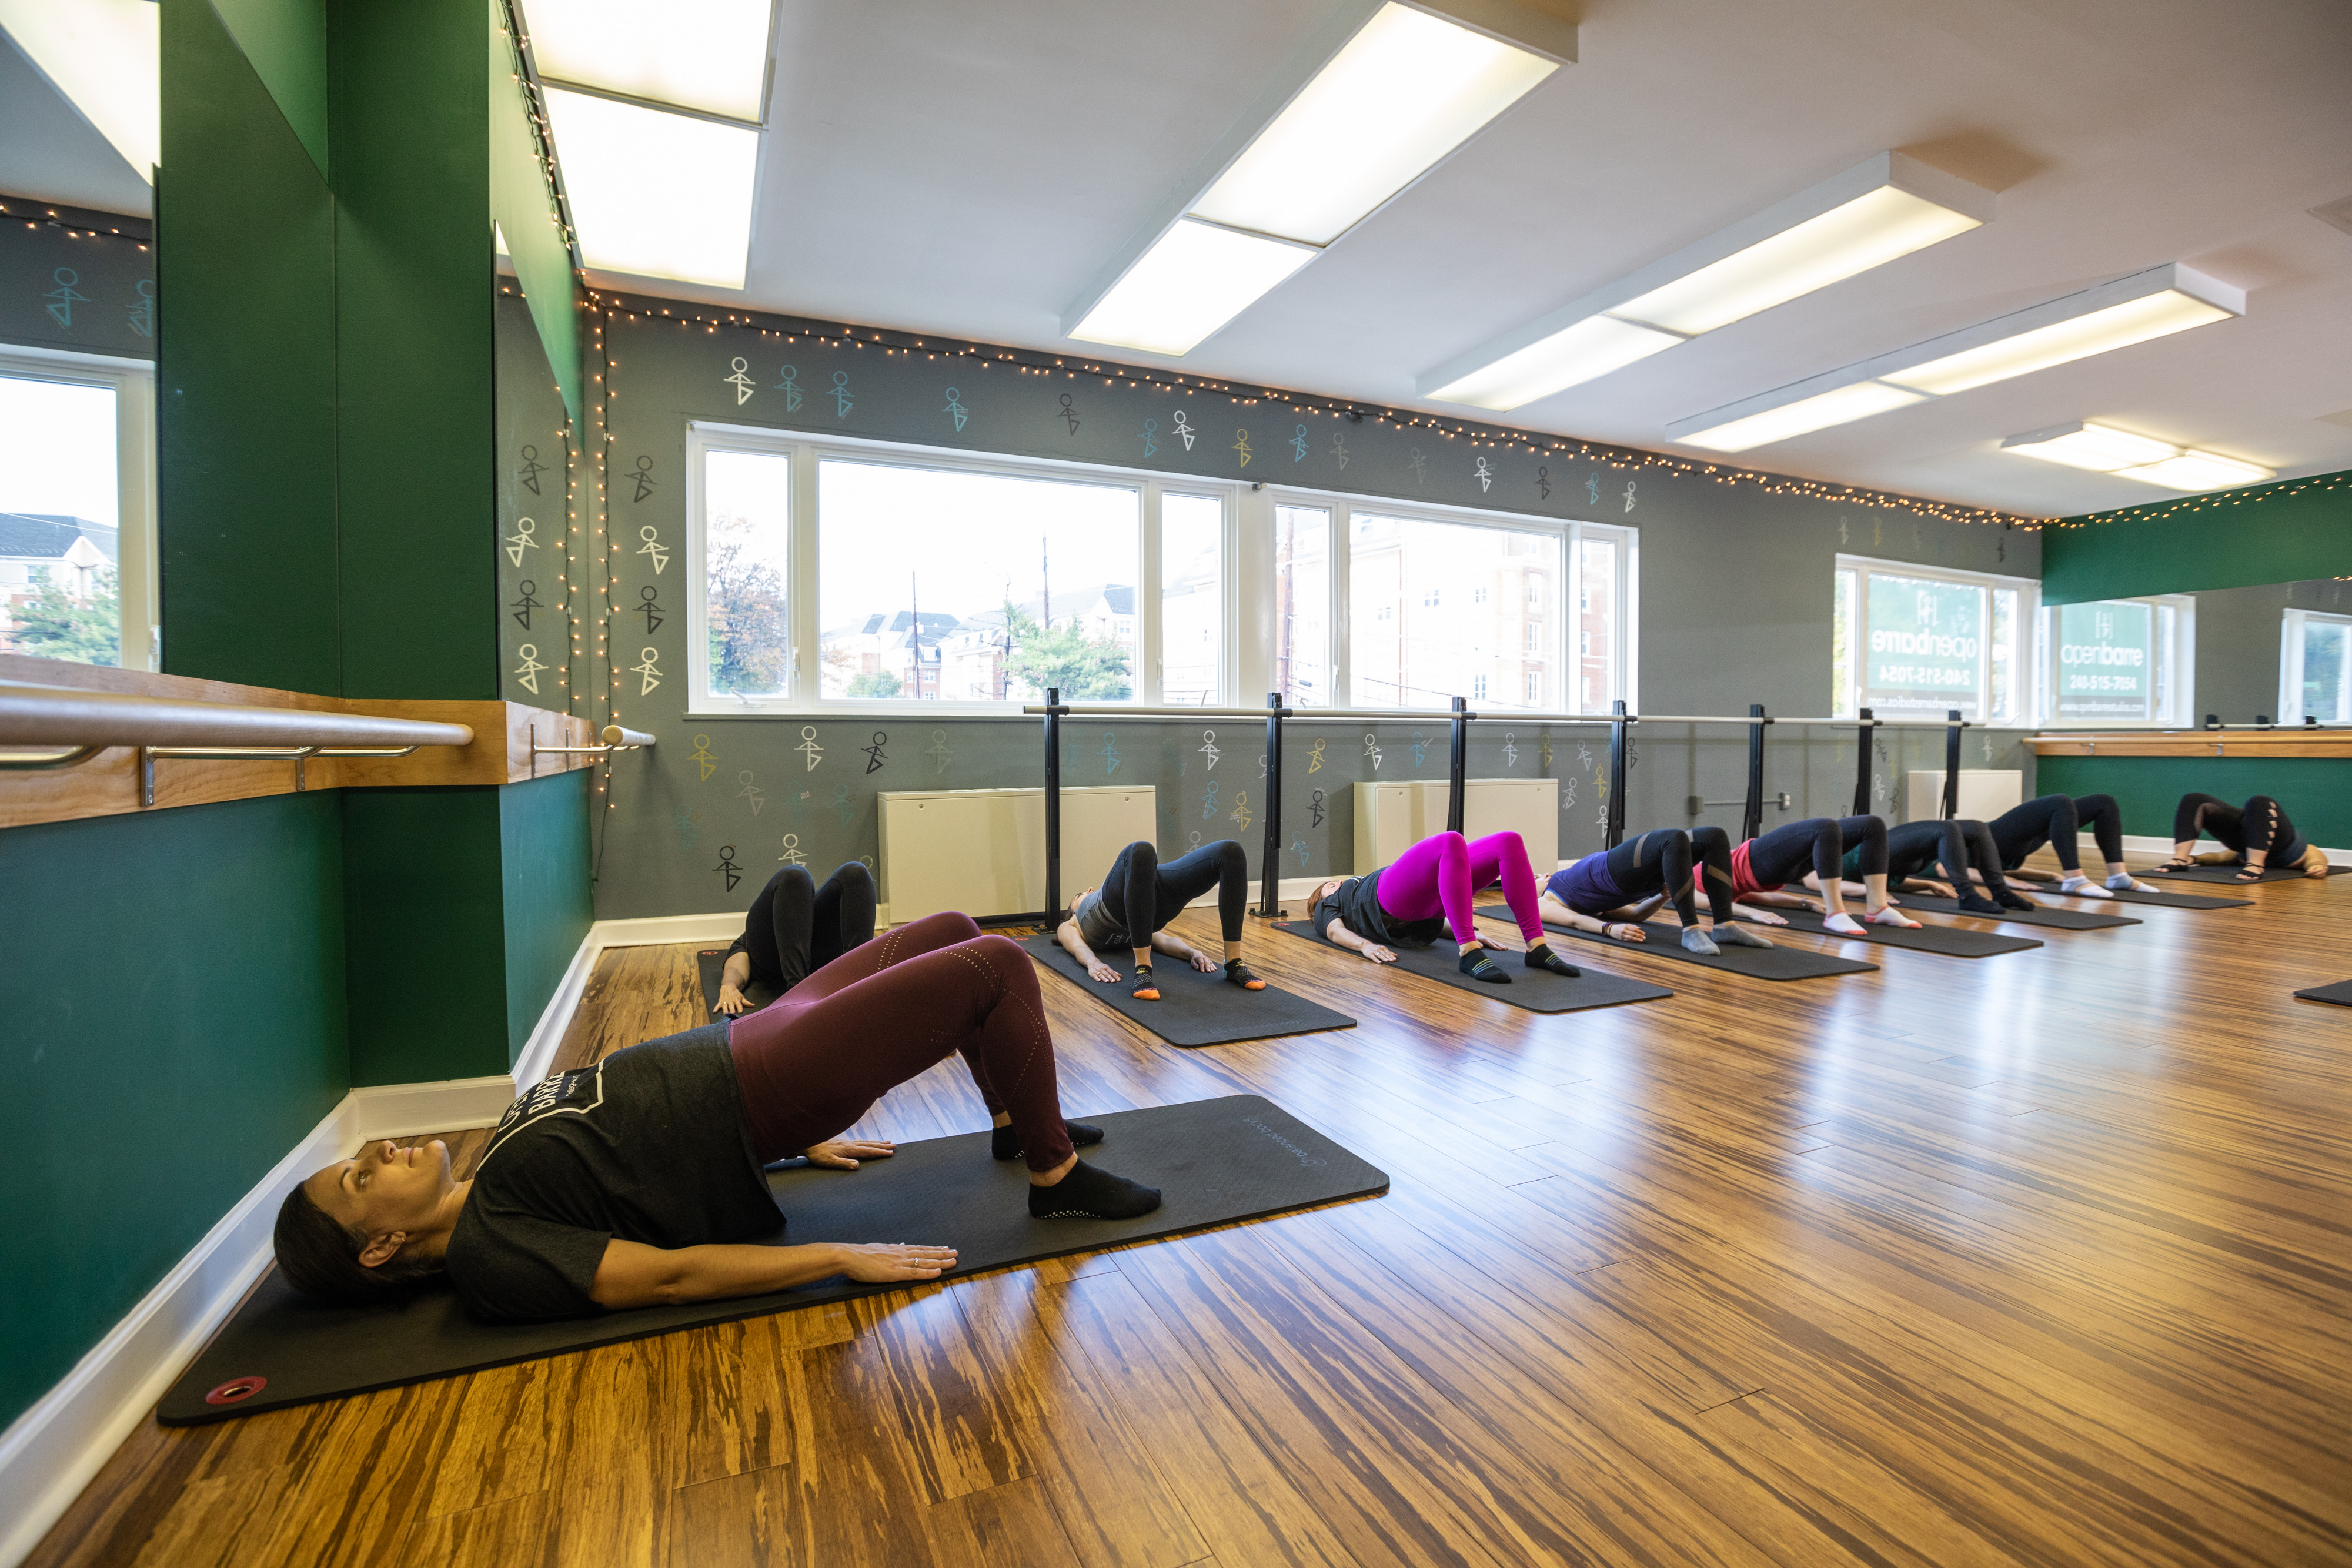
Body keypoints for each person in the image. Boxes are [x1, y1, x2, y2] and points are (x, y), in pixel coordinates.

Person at [272, 912, 1159, 1323]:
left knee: (953, 928)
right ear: (379, 1246)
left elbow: (634, 1155)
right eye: (363, 1175)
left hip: (751, 1049)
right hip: (762, 1083)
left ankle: (1011, 1120)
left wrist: (801, 1146)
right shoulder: (491, 1248)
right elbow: (666, 1275)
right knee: (997, 962)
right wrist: (837, 1256)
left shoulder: (487, 1179)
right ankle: (1056, 1178)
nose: (380, 1148)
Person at [1307, 829, 1583, 982]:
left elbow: (1433, 915)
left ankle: (1537, 947)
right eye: (1330, 885)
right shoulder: (1329, 904)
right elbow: (1333, 931)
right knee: (1450, 840)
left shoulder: (1351, 883)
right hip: (1384, 896)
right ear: (1321, 899)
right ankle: (1468, 954)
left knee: (1509, 841)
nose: (1338, 882)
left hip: (1423, 906)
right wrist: (1364, 946)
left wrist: (1469, 931)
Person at [1055, 838, 1265, 1001]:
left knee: (1230, 852)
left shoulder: (1098, 895)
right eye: (1075, 902)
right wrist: (1093, 963)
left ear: (1090, 891)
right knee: (1142, 852)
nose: (1079, 900)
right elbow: (1076, 947)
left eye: (1079, 896)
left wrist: (1192, 952)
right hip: (1138, 908)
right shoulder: (1071, 923)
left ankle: (1233, 963)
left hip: (1139, 894)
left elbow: (1164, 940)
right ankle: (1143, 970)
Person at [1536, 825, 1775, 955]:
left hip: (1633, 880)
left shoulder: (1582, 895)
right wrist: (1610, 930)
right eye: (1534, 878)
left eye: (1539, 873)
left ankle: (1725, 925)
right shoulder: (1544, 901)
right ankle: (1691, 930)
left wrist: (1663, 896)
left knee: (1714, 836)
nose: (1541, 876)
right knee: (1672, 838)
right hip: (1610, 871)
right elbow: (1577, 921)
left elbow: (1637, 914)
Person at [1698, 815, 1922, 934]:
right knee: (1823, 827)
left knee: (1871, 825)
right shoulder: (1678, 885)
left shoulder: (1688, 869)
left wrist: (1805, 903)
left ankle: (1878, 908)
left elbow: (1758, 897)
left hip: (1775, 874)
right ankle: (1835, 914)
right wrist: (1753, 914)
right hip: (1752, 862)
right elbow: (1710, 904)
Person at [714, 861, 875, 1015]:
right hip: (773, 966)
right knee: (795, 876)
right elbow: (738, 956)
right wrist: (729, 984)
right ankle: (796, 994)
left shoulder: (805, 914)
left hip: (822, 959)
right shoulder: (761, 932)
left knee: (856, 872)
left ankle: (859, 984)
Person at [1811, 817, 2032, 915]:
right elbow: (1815, 882)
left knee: (1975, 827)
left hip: (1885, 860)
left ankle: (2001, 891)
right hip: (1869, 858)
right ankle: (1968, 896)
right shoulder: (1805, 867)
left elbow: (1890, 883)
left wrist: (1925, 884)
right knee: (1945, 829)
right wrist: (1870, 891)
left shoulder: (1818, 849)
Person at [1976, 793, 2156, 898]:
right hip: (1992, 844)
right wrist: (2003, 882)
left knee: (2103, 803)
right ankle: (2074, 879)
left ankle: (2118, 876)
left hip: (2002, 845)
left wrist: (2049, 876)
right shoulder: (1948, 837)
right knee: (2059, 802)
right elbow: (1948, 869)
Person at [2159, 793, 2331, 881]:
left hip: (2277, 839)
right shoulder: (2241, 854)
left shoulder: (2292, 858)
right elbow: (2219, 858)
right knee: (2194, 799)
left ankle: (2256, 864)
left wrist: (2316, 866)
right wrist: (2194, 859)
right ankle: (2179, 860)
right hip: (2252, 828)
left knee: (2260, 802)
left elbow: (2219, 858)